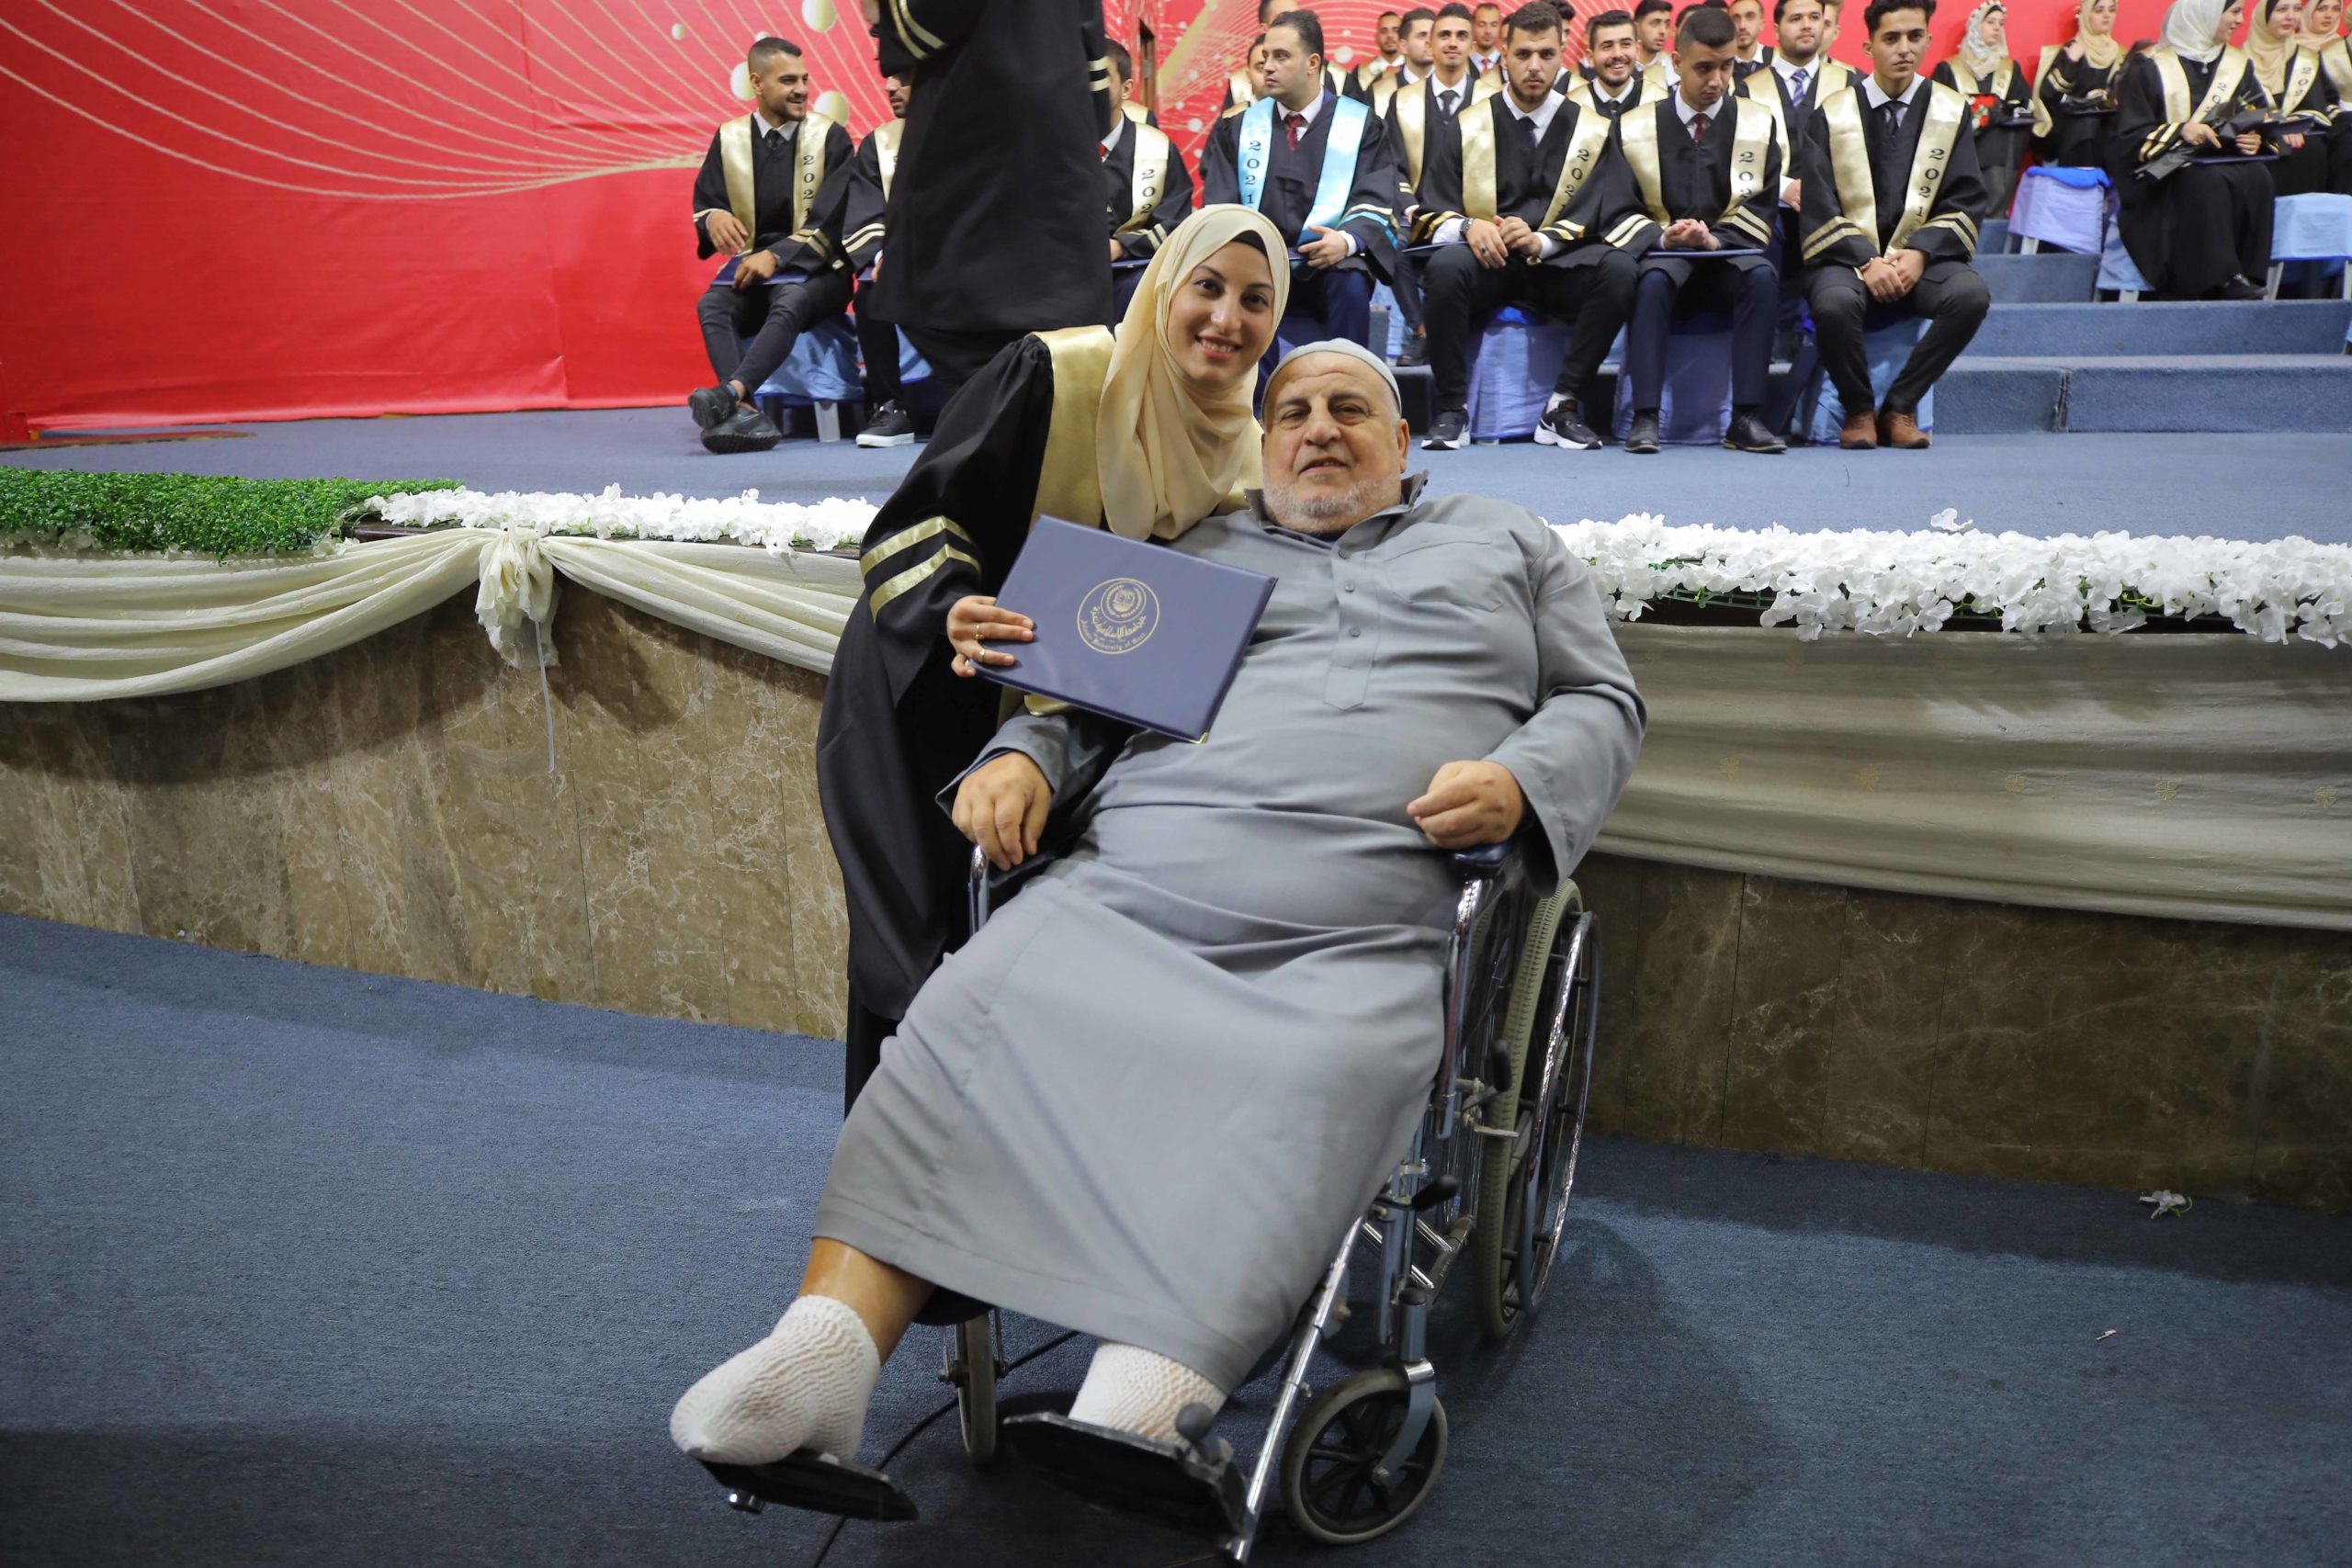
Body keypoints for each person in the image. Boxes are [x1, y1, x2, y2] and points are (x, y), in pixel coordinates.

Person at [672, 333, 1644, 1489]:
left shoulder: (1505, 541)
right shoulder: (1204, 549)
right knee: (968, 1012)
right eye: (1292, 412)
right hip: (1130, 880)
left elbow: (1599, 696)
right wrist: (1024, 755)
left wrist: (1522, 781)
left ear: (1402, 440)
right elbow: (1090, 705)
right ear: (1262, 441)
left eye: (1348, 409)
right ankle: (819, 1359)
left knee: (1316, 1068)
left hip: (1359, 919)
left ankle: (1143, 1403)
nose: (1318, 430)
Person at [813, 208, 1289, 1117]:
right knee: (916, 963)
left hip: (1061, 726)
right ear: (1163, 287)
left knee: (1009, 975)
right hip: (930, 696)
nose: (1227, 319)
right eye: (1207, 286)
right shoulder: (1058, 373)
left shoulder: (1247, 457)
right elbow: (916, 518)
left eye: (1256, 300)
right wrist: (949, 606)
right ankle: (888, 1173)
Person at [1415, 0, 1645, 451]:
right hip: (1490, 262)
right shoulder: (1469, 125)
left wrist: (1542, 240)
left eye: (1546, 54)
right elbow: (1430, 210)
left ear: (1563, 56)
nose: (1534, 66)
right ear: (1504, 55)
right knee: (1445, 267)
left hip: (1558, 265)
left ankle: (1562, 404)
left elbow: (1613, 210)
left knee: (1619, 270)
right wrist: (1468, 227)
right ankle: (1452, 409)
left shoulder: (1591, 130)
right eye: (1523, 54)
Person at [868, 0, 1113, 396]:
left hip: (978, 167)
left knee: (970, 352)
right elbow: (1097, 89)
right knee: (1050, 360)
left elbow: (917, 25)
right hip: (1061, 175)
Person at [1798, 0, 1992, 449]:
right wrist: (1868, 261)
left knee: (1970, 295)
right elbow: (1820, 205)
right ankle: (1859, 409)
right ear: (1868, 46)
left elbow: (1964, 198)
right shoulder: (1832, 114)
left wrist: (1920, 252)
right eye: (1891, 38)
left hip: (1918, 260)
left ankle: (1900, 406)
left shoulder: (1949, 110)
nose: (1904, 48)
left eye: (1914, 37)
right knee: (1832, 303)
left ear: (1927, 39)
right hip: (1849, 260)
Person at [1618, 5, 1789, 454]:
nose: (1716, 79)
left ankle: (1746, 417)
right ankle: (1646, 416)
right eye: (1704, 68)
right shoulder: (1636, 127)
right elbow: (1617, 205)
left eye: (1726, 66)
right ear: (1676, 62)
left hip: (1726, 257)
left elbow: (1762, 204)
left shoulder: (1756, 124)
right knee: (1651, 282)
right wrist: (1663, 237)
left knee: (1762, 277)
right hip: (1664, 256)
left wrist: (1714, 239)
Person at [686, 38, 858, 456]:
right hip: (752, 270)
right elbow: (708, 201)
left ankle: (730, 394)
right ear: (757, 83)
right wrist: (713, 218)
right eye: (788, 81)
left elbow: (833, 221)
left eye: (804, 79)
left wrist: (778, 256)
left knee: (791, 297)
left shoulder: (831, 138)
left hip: (820, 272)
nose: (801, 90)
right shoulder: (730, 138)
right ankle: (743, 411)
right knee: (713, 304)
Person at [1204, 12, 1403, 360]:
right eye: (1266, 56)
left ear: (1312, 63)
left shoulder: (1360, 126)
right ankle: (1255, 394)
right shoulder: (1240, 129)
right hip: (1259, 263)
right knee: (1239, 283)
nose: (1268, 66)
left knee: (1351, 281)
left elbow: (1375, 196)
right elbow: (1222, 205)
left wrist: (1345, 241)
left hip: (1330, 263)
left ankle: (1345, 383)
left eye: (1281, 57)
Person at [2108, 0, 2276, 299]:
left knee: (2259, 175)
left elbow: (2256, 114)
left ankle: (2248, 274)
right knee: (2206, 180)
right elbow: (2129, 136)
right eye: (2233, 12)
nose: (2240, 20)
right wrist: (2180, 130)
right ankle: (2216, 279)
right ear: (2205, 14)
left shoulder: (2237, 64)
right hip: (2162, 173)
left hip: (2220, 160)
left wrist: (2255, 138)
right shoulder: (2149, 66)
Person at [1385, 3, 1503, 364]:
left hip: (1474, 216)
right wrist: (1409, 207)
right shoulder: (1402, 101)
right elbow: (1391, 166)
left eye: (1461, 36)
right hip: (1419, 215)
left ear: (1472, 45)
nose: (1453, 43)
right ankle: (1422, 330)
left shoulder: (1493, 101)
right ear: (1430, 44)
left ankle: (1468, 330)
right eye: (1445, 35)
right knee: (1391, 243)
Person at [1103, 41, 1199, 322]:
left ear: (1126, 88)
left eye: (1101, 77)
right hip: (1064, 270)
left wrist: (1121, 246)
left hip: (1129, 271)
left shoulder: (1157, 148)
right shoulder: (1056, 145)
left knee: (1139, 290)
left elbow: (1175, 222)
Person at [845, 73, 915, 449]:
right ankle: (890, 406)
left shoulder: (975, 132)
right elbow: (866, 215)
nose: (889, 87)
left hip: (967, 260)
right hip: (904, 268)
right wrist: (886, 254)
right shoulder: (879, 144)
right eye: (889, 77)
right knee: (871, 293)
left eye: (904, 77)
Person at [1933, 3, 2035, 215]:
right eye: (1990, 22)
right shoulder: (1949, 69)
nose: (1997, 28)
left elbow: (2024, 107)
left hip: (1999, 157)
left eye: (2001, 23)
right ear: (1976, 25)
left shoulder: (2010, 69)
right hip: (1961, 155)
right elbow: (1936, 111)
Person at [2247, 0, 2350, 195]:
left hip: (2304, 134)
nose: (2290, 16)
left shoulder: (2305, 59)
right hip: (2257, 135)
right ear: (2264, 16)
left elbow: (2321, 102)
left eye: (2296, 9)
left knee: (2313, 147)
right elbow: (2236, 106)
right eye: (2282, 10)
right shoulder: (2239, 61)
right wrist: (2279, 125)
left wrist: (2295, 122)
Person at [2033, 0, 2128, 170]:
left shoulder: (2122, 55)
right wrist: (2071, 61)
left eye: (2111, 10)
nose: (2106, 15)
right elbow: (2048, 95)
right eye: (2099, 10)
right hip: (2070, 134)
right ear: (2086, 14)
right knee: (2086, 126)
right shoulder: (2072, 49)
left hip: (2106, 134)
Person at [1567, 8, 1659, 116]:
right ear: (1590, 57)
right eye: (1607, 46)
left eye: (1625, 44)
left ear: (1637, 50)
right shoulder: (1571, 107)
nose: (1617, 54)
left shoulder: (1658, 103)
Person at [1359, 8, 1409, 92]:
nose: (1389, 35)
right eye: (1383, 31)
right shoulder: (1361, 71)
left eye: (1396, 30)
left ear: (1404, 35)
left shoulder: (1413, 69)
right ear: (1376, 37)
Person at [1634, 0, 1680, 89]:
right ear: (1636, 28)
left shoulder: (1674, 69)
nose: (1663, 31)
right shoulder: (1621, 65)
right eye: (1655, 23)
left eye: (1667, 25)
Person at [1730, 0, 1773, 73]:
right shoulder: (1723, 64)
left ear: (1761, 24)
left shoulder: (1777, 59)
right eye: (1736, 19)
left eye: (1750, 17)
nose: (1742, 26)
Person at [1472, 0, 1510, 72]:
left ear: (1500, 27)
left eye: (1493, 25)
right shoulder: (1463, 65)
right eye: (1482, 25)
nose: (1488, 31)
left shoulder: (1508, 65)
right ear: (1473, 26)